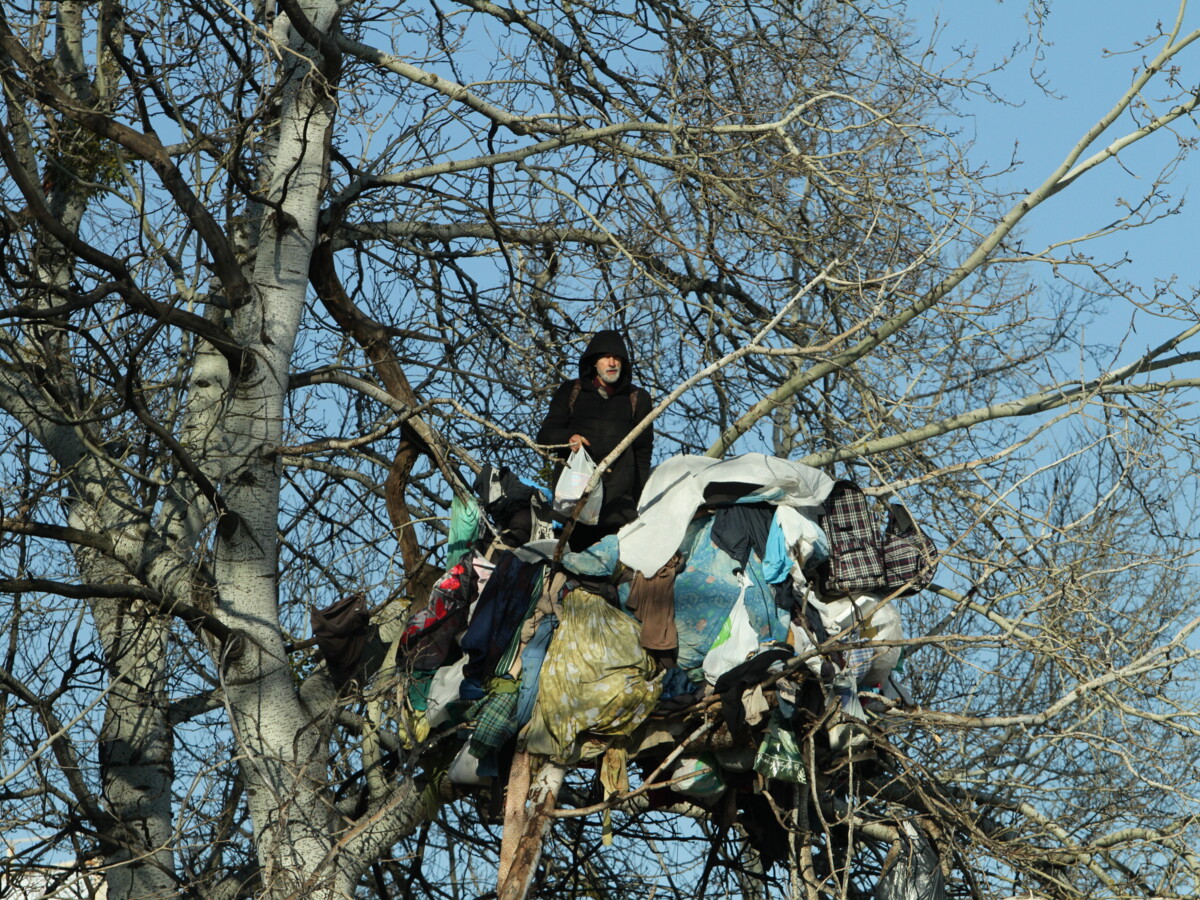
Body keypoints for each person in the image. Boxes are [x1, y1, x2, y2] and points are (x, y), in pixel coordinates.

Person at [537, 329, 654, 549]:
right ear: (594, 362)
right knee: (570, 569)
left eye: (617, 357)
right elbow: (545, 436)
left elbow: (643, 451)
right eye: (605, 357)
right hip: (575, 501)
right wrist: (569, 437)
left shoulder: (637, 399)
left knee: (615, 574)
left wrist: (637, 498)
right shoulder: (571, 391)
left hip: (619, 509)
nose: (612, 363)